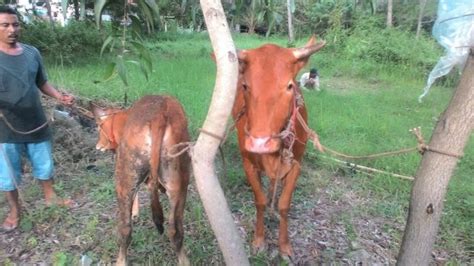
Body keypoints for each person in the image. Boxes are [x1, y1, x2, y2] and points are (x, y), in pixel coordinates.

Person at [0, 5, 75, 232]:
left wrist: (59, 97)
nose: (12, 29)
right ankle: (15, 210)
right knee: (7, 174)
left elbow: (42, 82)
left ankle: (50, 196)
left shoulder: (32, 53)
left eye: (15, 24)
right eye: (5, 25)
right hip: (5, 128)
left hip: (35, 121)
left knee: (44, 164)